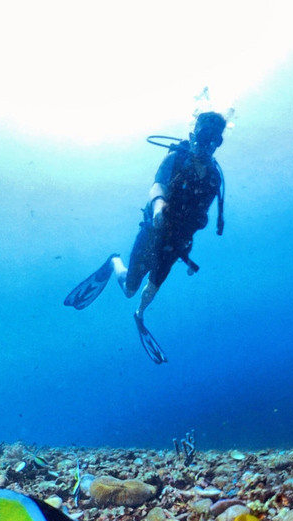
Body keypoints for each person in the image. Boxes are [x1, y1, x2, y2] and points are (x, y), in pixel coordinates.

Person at [64, 111, 228, 363]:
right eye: (205, 136)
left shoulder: (215, 177)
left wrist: (187, 245)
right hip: (153, 234)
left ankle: (139, 315)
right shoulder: (175, 158)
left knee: (150, 290)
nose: (208, 144)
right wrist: (159, 206)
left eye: (215, 140)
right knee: (130, 289)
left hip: (177, 246)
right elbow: (158, 184)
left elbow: (200, 216)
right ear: (192, 135)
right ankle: (113, 263)